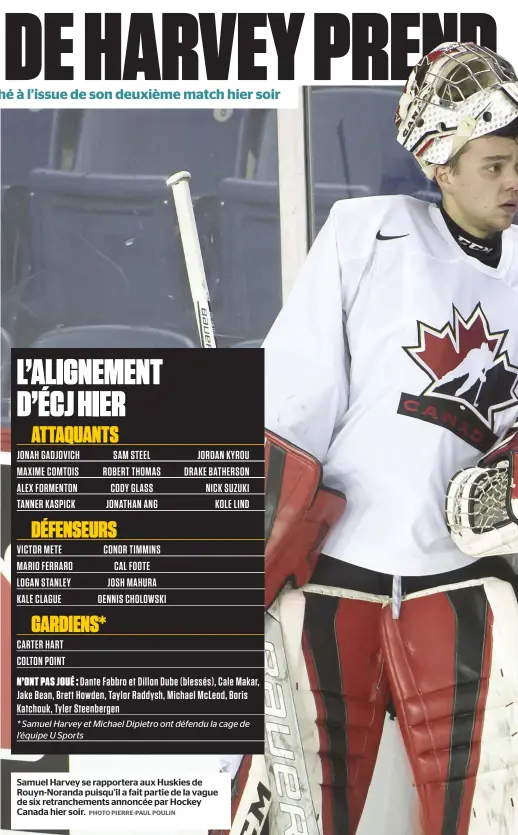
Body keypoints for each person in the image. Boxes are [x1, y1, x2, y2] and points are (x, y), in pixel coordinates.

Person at [224, 42, 518, 835]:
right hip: (329, 587)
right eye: (492, 164)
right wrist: (245, 557)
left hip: (465, 589)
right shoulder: (366, 234)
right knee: (290, 818)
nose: (512, 181)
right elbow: (292, 397)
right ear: (441, 166)